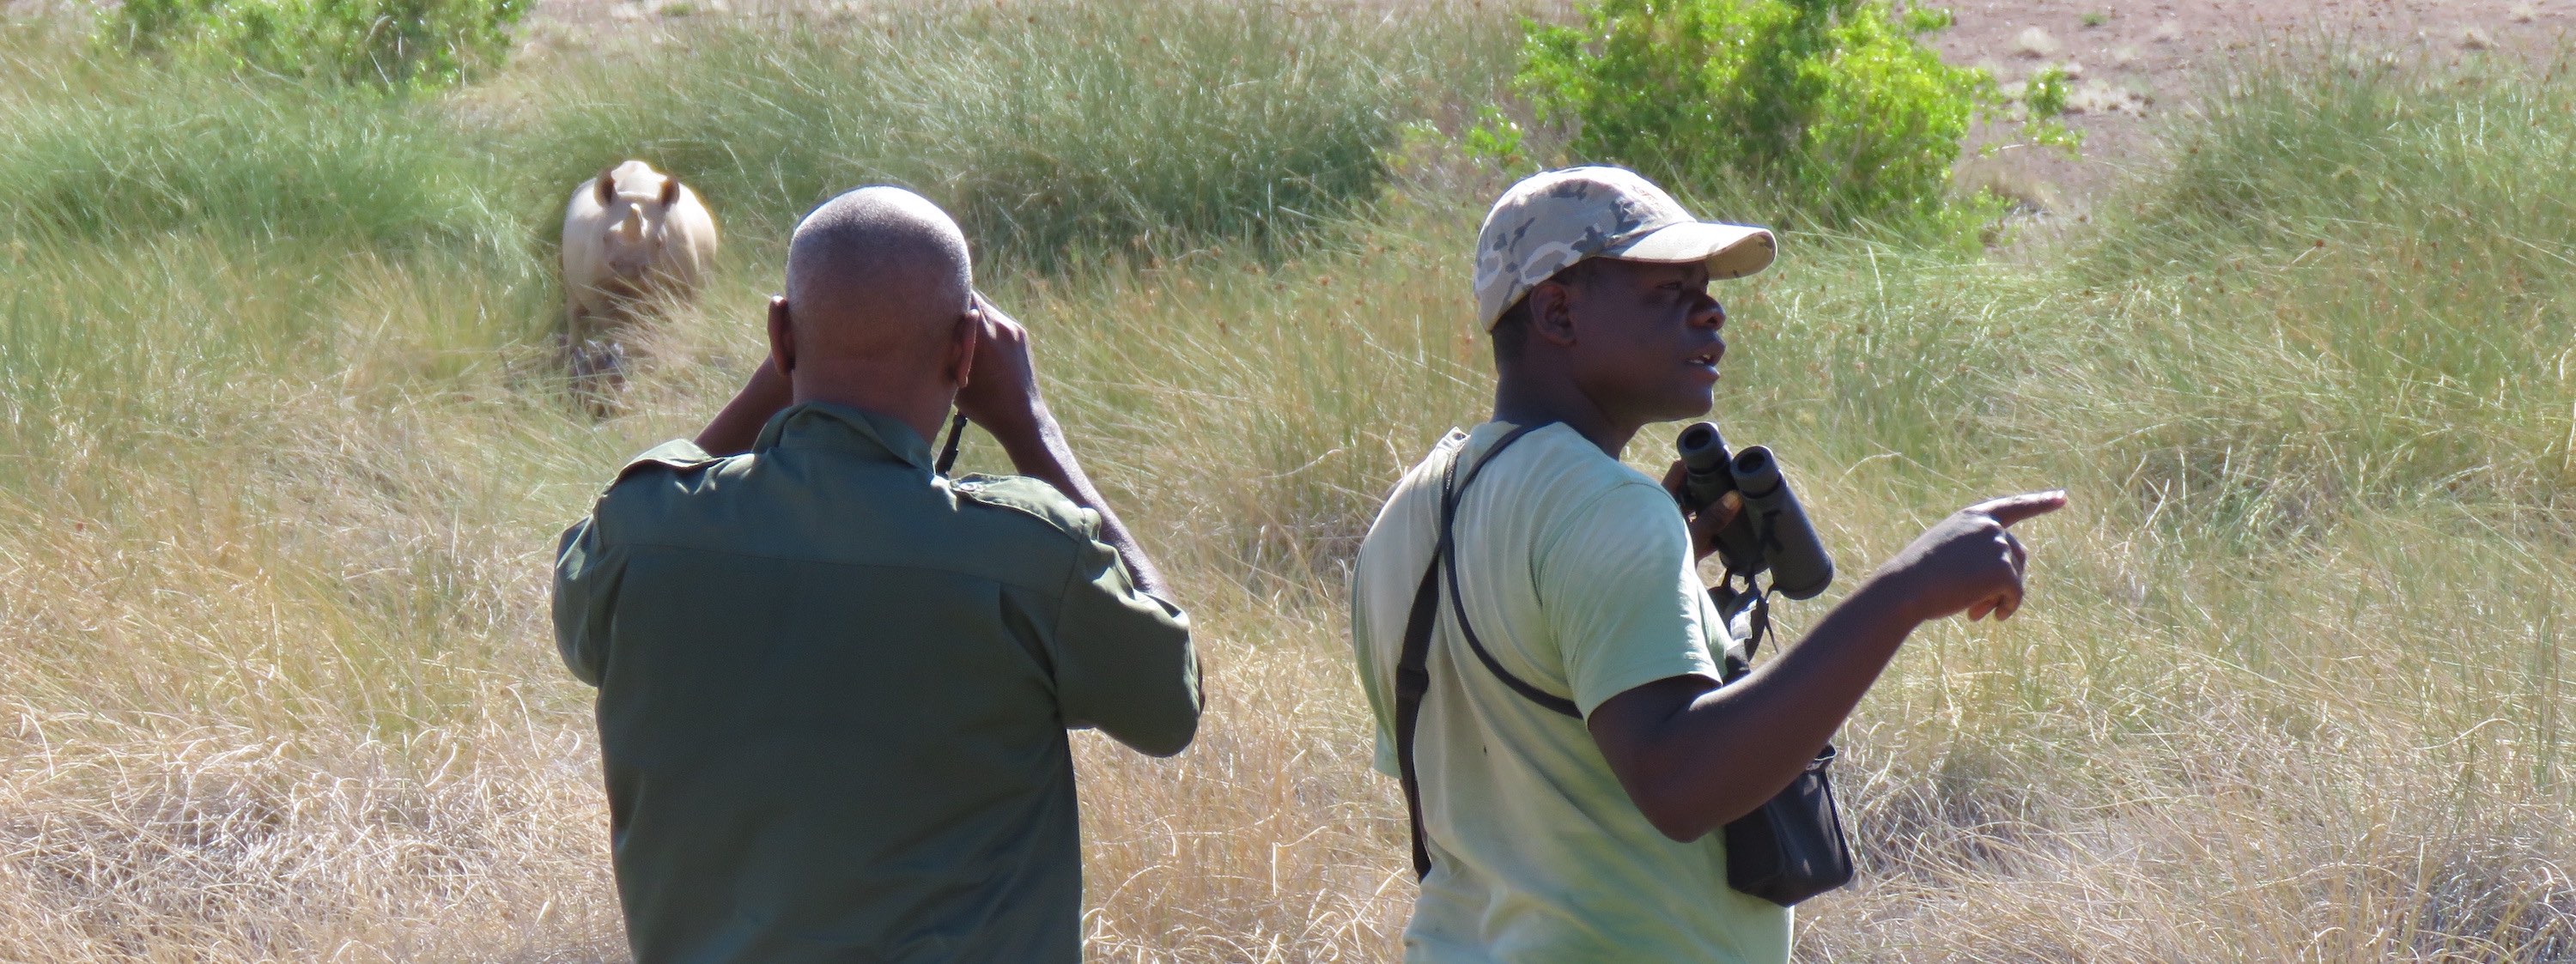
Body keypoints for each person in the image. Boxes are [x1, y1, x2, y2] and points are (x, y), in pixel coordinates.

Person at [1346, 166, 2066, 963]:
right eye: (1668, 290)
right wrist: (1906, 590)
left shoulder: (1408, 516)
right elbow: (1680, 782)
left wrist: (1666, 580)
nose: (1711, 310)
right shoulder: (1606, 507)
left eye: (1707, 287)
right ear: (1557, 311)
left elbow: (1489, 776)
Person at [551, 185, 1201, 963]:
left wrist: (783, 367)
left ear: (780, 335)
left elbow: (594, 576)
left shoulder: (642, 537)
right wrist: (1033, 426)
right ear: (964, 353)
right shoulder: (1028, 558)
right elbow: (1171, 700)